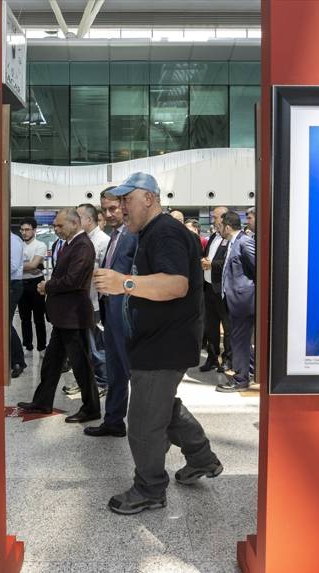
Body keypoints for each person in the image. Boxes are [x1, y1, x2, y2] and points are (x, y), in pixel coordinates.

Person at [92, 172, 221, 515]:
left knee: (145, 423)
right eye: (117, 202)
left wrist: (124, 283)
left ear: (148, 198)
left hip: (163, 343)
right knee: (164, 407)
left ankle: (149, 489)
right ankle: (202, 458)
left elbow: (176, 284)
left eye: (126, 201)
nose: (120, 208)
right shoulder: (152, 233)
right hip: (157, 341)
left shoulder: (165, 232)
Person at [17, 209, 100, 423]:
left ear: (75, 223)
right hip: (63, 316)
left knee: (81, 365)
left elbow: (72, 280)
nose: (56, 229)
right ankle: (43, 402)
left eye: (60, 226)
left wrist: (48, 286)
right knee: (52, 363)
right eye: (55, 225)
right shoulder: (69, 245)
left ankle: (91, 408)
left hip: (74, 316)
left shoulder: (82, 245)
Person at [85, 187, 137, 438]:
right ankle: (114, 420)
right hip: (111, 312)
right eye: (104, 209)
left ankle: (146, 423)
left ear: (125, 205)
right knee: (116, 369)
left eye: (113, 208)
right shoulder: (115, 235)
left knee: (134, 373)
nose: (108, 214)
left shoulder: (134, 234)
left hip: (128, 315)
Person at [216, 210, 256, 392]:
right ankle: (245, 372)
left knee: (240, 341)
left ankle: (241, 380)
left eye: (220, 226)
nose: (218, 230)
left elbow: (258, 268)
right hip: (235, 300)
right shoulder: (233, 242)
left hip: (243, 301)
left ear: (227, 226)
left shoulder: (244, 241)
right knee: (239, 339)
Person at [76, 203, 110, 394]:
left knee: (97, 344)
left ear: (89, 219)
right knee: (87, 344)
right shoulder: (84, 239)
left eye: (78, 217)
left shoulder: (103, 241)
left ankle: (102, 381)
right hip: (83, 300)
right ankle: (90, 381)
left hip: (96, 301)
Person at [200, 206, 232, 373]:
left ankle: (228, 360)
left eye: (216, 217)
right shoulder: (213, 237)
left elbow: (229, 261)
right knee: (210, 326)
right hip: (208, 288)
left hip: (222, 290)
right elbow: (207, 255)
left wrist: (211, 264)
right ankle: (212, 358)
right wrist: (205, 260)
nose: (213, 220)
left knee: (227, 327)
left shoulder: (231, 239)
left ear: (225, 219)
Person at [18, 218, 47, 352]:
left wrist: (17, 267)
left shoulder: (40, 245)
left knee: (39, 318)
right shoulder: (17, 245)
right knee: (24, 318)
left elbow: (34, 265)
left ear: (34, 230)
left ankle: (41, 346)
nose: (24, 232)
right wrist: (29, 266)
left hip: (36, 283)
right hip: (21, 283)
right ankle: (27, 345)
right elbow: (30, 266)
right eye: (22, 230)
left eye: (27, 229)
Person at [9, 230, 26, 377]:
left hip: (12, 285)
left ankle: (18, 361)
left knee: (4, 324)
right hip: (4, 283)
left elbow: (12, 266)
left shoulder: (13, 241)